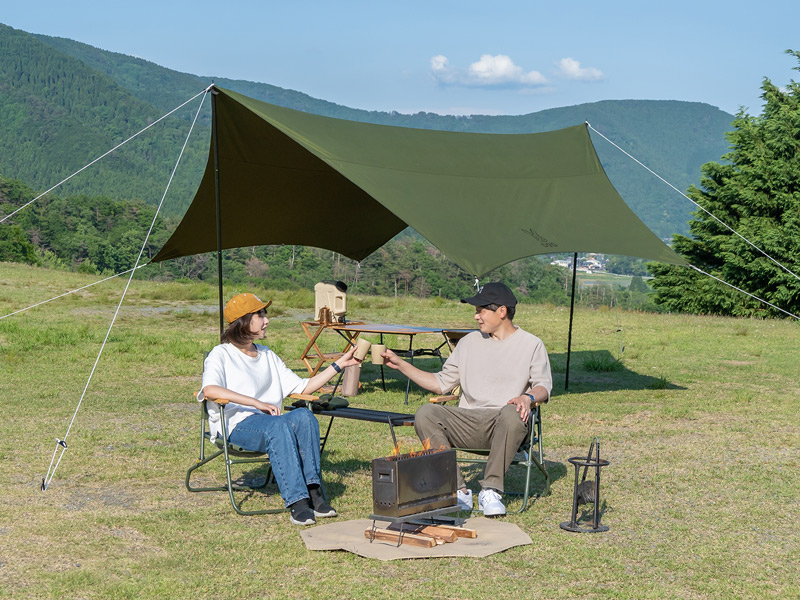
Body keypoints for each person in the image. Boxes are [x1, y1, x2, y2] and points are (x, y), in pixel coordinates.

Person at [381, 282, 552, 516]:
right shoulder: (468, 343)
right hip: (468, 422)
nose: (476, 316)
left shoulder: (532, 344)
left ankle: (491, 490)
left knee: (512, 412)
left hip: (505, 422)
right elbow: (440, 384)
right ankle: (457, 490)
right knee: (426, 413)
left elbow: (543, 386)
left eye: (481, 310)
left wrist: (527, 397)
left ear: (501, 311)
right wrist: (401, 365)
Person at [198, 292, 361, 526]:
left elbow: (303, 386)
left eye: (265, 314)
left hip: (273, 424)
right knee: (279, 424)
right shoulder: (221, 354)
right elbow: (211, 389)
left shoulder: (267, 354)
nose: (267, 320)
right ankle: (298, 502)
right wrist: (255, 402)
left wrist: (339, 365)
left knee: (304, 416)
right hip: (236, 426)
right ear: (243, 322)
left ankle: (314, 492)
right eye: (260, 315)